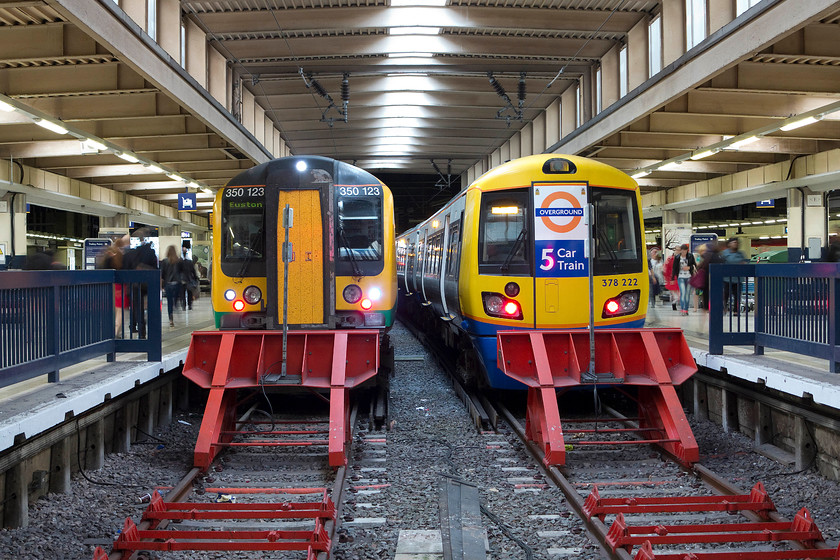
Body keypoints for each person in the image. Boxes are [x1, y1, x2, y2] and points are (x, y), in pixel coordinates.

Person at [123, 227, 159, 338]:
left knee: (137, 308)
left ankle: (141, 330)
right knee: (152, 307)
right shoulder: (150, 252)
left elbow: (125, 269)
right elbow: (155, 268)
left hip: (135, 284)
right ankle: (153, 331)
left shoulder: (129, 254)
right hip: (149, 284)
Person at [720, 237, 748, 313]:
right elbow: (720, 264)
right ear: (729, 244)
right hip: (727, 278)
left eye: (736, 242)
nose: (735, 244)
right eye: (733, 242)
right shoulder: (725, 253)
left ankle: (736, 310)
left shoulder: (741, 254)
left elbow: (745, 263)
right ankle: (724, 308)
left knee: (737, 295)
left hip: (738, 279)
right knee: (726, 295)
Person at [696, 243, 724, 310]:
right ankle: (714, 306)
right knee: (715, 293)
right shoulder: (719, 256)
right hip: (716, 278)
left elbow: (701, 266)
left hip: (706, 278)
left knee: (706, 293)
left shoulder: (707, 256)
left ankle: (707, 307)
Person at [671, 244, 697, 315]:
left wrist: (689, 268)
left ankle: (686, 309)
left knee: (687, 294)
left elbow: (694, 265)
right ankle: (682, 309)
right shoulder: (677, 257)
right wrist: (672, 278)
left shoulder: (690, 256)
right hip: (680, 276)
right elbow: (674, 268)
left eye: (685, 251)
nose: (684, 252)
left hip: (689, 276)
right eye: (682, 251)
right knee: (683, 293)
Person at [161, 246, 181, 327]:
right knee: (175, 299)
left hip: (168, 284)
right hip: (177, 284)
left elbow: (162, 273)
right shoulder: (178, 261)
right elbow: (181, 272)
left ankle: (171, 319)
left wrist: (162, 284)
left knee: (169, 301)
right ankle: (175, 305)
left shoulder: (165, 261)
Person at [179, 246, 199, 310]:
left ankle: (183, 305)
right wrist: (195, 278)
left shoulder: (179, 262)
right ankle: (189, 305)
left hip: (182, 280)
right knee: (189, 293)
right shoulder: (189, 262)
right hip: (189, 279)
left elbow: (177, 271)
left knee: (182, 293)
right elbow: (193, 271)